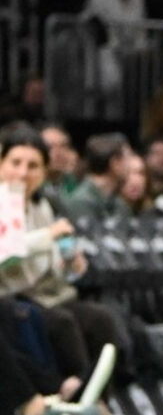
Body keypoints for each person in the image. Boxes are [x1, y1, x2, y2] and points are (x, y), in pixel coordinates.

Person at [0, 127, 132, 394]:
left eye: (33, 166)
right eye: (15, 163)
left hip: (44, 295)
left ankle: (103, 398)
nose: (23, 173)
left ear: (44, 172)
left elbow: (48, 267)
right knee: (62, 323)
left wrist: (69, 264)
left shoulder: (42, 206)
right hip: (10, 301)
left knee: (101, 318)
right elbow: (7, 254)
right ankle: (78, 400)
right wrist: (46, 236)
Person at [59, 135, 131, 221]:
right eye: (128, 158)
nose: (131, 164)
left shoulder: (117, 201)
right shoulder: (81, 201)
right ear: (115, 163)